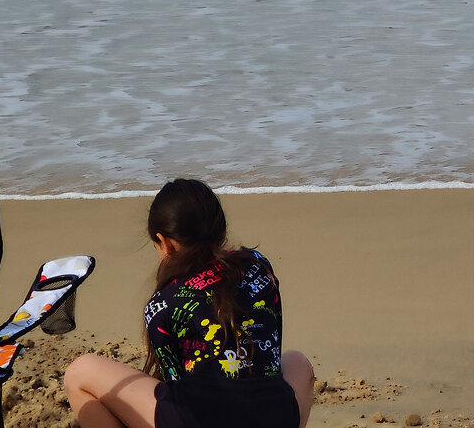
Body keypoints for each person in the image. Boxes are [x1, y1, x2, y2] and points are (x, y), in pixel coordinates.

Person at [64, 179, 315, 428]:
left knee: (79, 373)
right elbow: (270, 345)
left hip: (201, 419)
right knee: (297, 362)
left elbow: (175, 385)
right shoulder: (258, 264)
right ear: (223, 232)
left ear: (166, 243)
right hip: (274, 417)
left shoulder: (163, 304)